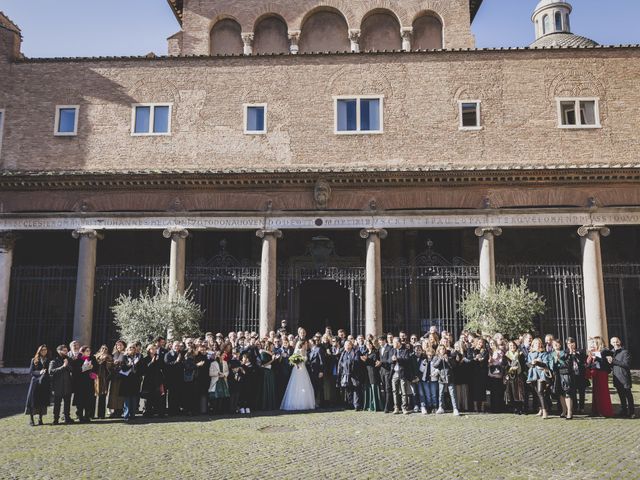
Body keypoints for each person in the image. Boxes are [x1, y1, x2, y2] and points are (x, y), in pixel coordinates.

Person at [281, 340, 316, 411]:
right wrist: (297, 365)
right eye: (305, 344)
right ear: (302, 344)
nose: (306, 345)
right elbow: (293, 359)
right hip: (297, 369)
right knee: (297, 384)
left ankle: (305, 403)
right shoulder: (298, 351)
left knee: (305, 384)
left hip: (303, 369)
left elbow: (305, 360)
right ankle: (295, 403)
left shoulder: (305, 351)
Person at [586, 336, 614, 418]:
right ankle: (596, 410)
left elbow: (605, 362)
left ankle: (604, 411)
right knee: (596, 392)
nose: (593, 344)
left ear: (598, 343)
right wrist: (590, 357)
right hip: (595, 373)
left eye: (594, 342)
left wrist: (595, 356)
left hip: (602, 373)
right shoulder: (594, 351)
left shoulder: (605, 351)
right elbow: (589, 364)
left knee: (603, 392)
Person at [608, 337, 635, 419]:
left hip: (624, 377)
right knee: (621, 396)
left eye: (617, 341)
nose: (615, 343)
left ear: (620, 342)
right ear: (611, 343)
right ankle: (624, 410)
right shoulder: (611, 352)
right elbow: (611, 365)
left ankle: (632, 412)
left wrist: (613, 360)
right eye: (613, 342)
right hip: (616, 377)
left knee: (628, 395)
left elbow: (626, 365)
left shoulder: (625, 352)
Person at [548, 339, 574, 419]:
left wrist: (560, 360)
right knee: (561, 394)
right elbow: (551, 366)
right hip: (557, 375)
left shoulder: (565, 353)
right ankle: (564, 410)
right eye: (554, 344)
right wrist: (555, 360)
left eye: (557, 343)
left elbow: (569, 364)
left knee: (567, 393)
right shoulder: (551, 354)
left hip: (565, 374)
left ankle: (570, 411)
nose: (556, 345)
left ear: (560, 344)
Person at [25, 345, 50, 426]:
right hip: (35, 382)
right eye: (42, 350)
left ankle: (40, 418)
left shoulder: (48, 360)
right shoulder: (34, 360)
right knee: (33, 400)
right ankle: (31, 419)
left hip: (44, 383)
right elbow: (31, 372)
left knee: (42, 400)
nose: (44, 351)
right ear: (39, 351)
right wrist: (40, 372)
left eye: (45, 349)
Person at [432, 345, 460, 416]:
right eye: (441, 349)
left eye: (443, 349)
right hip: (441, 377)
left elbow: (454, 365)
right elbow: (435, 365)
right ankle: (440, 407)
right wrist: (440, 359)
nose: (442, 350)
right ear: (438, 350)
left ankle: (455, 408)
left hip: (449, 377)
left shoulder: (449, 356)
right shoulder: (436, 357)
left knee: (452, 393)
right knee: (440, 393)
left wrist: (448, 360)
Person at [49, 344, 74, 424]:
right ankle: (56, 419)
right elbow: (51, 371)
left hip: (67, 385)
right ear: (59, 351)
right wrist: (63, 366)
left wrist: (67, 366)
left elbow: (72, 369)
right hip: (58, 386)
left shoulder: (69, 359)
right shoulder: (54, 360)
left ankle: (67, 417)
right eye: (64, 350)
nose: (66, 352)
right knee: (57, 404)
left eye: (66, 350)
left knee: (67, 403)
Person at [526, 338, 550, 419]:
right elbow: (528, 364)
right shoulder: (530, 354)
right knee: (537, 393)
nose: (537, 344)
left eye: (539, 343)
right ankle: (540, 409)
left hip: (541, 374)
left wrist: (538, 362)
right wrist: (531, 363)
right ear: (533, 345)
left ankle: (545, 411)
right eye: (535, 343)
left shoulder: (544, 353)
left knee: (540, 392)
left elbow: (546, 364)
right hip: (533, 374)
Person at [140, 344, 165, 418]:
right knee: (148, 397)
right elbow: (144, 370)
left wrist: (157, 361)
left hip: (157, 380)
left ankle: (159, 412)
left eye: (155, 349)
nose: (154, 350)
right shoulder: (145, 359)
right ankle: (147, 412)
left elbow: (162, 367)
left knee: (158, 396)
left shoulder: (159, 358)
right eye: (152, 349)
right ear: (149, 350)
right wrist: (152, 362)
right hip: (148, 380)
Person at [119, 343, 142, 423]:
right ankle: (126, 415)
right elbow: (123, 368)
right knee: (127, 398)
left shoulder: (139, 357)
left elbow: (141, 368)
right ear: (127, 349)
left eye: (133, 348)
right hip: (127, 380)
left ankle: (133, 415)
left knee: (134, 398)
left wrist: (136, 365)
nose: (132, 349)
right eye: (130, 348)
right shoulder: (124, 357)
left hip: (135, 380)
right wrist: (130, 365)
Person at [75, 346, 97, 423]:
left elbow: (96, 369)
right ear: (83, 352)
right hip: (81, 383)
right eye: (87, 351)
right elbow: (76, 371)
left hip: (89, 383)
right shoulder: (78, 360)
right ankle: (80, 416)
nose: (89, 352)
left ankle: (87, 416)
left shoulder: (92, 359)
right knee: (81, 400)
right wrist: (84, 368)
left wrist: (93, 371)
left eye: (89, 351)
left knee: (89, 399)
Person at [565, 337, 587, 414]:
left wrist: (575, 354)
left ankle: (581, 407)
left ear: (575, 343)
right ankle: (575, 407)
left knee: (582, 391)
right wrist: (570, 353)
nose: (570, 345)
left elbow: (583, 360)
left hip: (580, 374)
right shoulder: (566, 352)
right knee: (573, 392)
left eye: (572, 343)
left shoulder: (580, 351)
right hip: (571, 374)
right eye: (569, 343)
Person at [391, 337, 412, 415]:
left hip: (402, 373)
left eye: (394, 342)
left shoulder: (405, 350)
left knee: (404, 391)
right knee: (395, 391)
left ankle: (404, 408)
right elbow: (390, 361)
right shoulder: (392, 350)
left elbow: (407, 360)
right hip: (395, 373)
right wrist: (392, 360)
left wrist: (398, 359)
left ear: (398, 343)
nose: (393, 344)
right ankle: (396, 407)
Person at [504, 340, 525, 415]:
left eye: (513, 345)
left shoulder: (520, 354)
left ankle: (521, 408)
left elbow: (523, 364)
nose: (512, 347)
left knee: (520, 392)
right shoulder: (506, 355)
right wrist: (510, 369)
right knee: (512, 392)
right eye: (510, 346)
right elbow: (504, 366)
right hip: (511, 376)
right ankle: (514, 408)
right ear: (508, 347)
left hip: (519, 375)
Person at [164, 341, 184, 415]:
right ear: (172, 346)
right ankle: (171, 410)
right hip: (171, 378)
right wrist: (176, 361)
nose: (177, 347)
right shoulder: (168, 354)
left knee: (178, 394)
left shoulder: (180, 354)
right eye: (175, 345)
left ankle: (177, 410)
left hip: (179, 378)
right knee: (172, 395)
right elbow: (167, 365)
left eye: (178, 346)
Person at [107, 340, 126, 418]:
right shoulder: (113, 354)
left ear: (124, 346)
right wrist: (112, 364)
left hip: (122, 377)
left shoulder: (125, 354)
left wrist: (120, 363)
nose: (119, 346)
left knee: (120, 394)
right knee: (113, 394)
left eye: (121, 345)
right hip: (114, 377)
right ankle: (113, 410)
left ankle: (120, 411)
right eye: (118, 345)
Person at [470, 338, 489, 413]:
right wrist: (475, 358)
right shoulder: (472, 350)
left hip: (482, 372)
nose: (480, 343)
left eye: (481, 342)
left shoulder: (485, 351)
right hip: (474, 373)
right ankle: (475, 407)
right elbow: (470, 360)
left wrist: (482, 359)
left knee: (482, 390)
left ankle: (482, 407)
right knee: (475, 390)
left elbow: (486, 360)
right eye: (478, 342)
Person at [362, 339, 382, 412]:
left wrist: (367, 360)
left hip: (373, 372)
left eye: (369, 344)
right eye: (367, 344)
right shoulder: (365, 353)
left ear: (372, 344)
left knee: (374, 388)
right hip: (366, 372)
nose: (368, 345)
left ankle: (376, 406)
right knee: (368, 388)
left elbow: (375, 363)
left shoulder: (375, 352)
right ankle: (369, 405)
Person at [208, 348, 230, 414]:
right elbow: (210, 373)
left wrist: (224, 375)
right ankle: (215, 410)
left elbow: (227, 371)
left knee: (222, 396)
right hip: (216, 381)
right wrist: (217, 374)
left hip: (223, 380)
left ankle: (221, 410)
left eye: (224, 355)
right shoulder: (213, 363)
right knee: (216, 396)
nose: (223, 356)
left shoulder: (225, 363)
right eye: (222, 355)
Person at [94, 345, 113, 419]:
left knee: (103, 396)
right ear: (100, 349)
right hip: (96, 378)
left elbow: (111, 367)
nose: (104, 350)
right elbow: (95, 365)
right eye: (103, 348)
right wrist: (101, 359)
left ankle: (101, 415)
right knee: (94, 396)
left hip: (105, 379)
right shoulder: (96, 356)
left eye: (106, 349)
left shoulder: (109, 357)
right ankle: (91, 414)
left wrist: (107, 360)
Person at [417, 345, 438, 414]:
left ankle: (434, 406)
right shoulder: (424, 360)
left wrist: (435, 373)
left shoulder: (435, 360)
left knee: (433, 394)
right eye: (428, 353)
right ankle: (429, 406)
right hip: (425, 380)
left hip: (433, 380)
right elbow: (421, 370)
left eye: (431, 353)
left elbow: (437, 369)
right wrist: (423, 364)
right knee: (428, 394)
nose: (429, 354)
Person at [378, 335, 394, 413]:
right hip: (382, 371)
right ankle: (387, 405)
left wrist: (382, 362)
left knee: (388, 389)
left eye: (381, 341)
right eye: (379, 341)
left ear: (385, 341)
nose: (380, 342)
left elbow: (390, 360)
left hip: (388, 371)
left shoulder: (390, 348)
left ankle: (387, 407)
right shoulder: (380, 349)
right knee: (384, 389)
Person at [307, 338, 324, 409]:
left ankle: (320, 403)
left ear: (313, 343)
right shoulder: (309, 351)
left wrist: (321, 371)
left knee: (319, 387)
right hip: (311, 371)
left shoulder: (318, 349)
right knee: (314, 387)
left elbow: (321, 361)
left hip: (318, 371)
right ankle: (314, 402)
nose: (309, 344)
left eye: (310, 343)